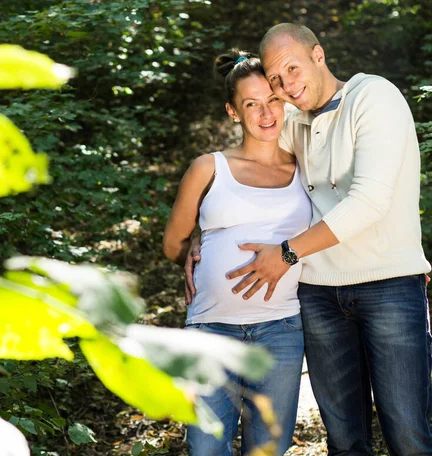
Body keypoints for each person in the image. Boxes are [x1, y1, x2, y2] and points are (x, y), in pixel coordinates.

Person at [186, 23, 432, 455]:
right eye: (276, 80)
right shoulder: (292, 125)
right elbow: (247, 178)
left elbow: (370, 201)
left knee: (408, 432)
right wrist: (200, 232)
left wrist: (286, 253)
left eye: (292, 69)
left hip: (388, 285)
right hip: (317, 294)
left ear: (319, 55)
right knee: (343, 437)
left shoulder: (373, 97)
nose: (286, 86)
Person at [162, 49, 312, 455]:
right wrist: (200, 253)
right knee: (206, 449)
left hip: (280, 330)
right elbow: (173, 242)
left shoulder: (306, 168)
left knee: (267, 450)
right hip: (211, 330)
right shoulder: (208, 168)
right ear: (233, 111)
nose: (266, 114)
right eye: (252, 104)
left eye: (273, 101)